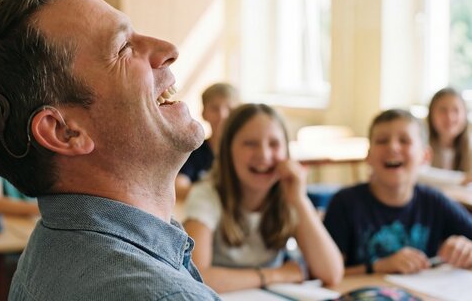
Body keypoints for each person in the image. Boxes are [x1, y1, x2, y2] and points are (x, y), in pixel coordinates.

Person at [0, 0, 219, 300]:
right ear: (64, 131)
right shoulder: (161, 294)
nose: (168, 49)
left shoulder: (51, 249)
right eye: (122, 48)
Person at [183, 103, 343, 293]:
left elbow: (331, 273)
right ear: (228, 151)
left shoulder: (289, 195)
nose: (264, 155)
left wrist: (299, 201)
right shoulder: (206, 195)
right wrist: (276, 274)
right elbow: (195, 276)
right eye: (250, 144)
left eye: (274, 144)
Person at [324, 109, 472, 275]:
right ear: (368, 155)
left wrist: (466, 249)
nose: (393, 147)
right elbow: (323, 273)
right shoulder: (345, 203)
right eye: (381, 141)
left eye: (404, 140)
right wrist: (378, 267)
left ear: (425, 156)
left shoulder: (435, 202)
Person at [175, 82, 239, 200]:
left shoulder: (246, 152)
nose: (222, 115)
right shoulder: (193, 152)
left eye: (230, 108)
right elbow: (179, 187)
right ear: (204, 113)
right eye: (215, 108)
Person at [419, 87, 472, 186]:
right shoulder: (420, 144)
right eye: (443, 110)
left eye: (456, 110)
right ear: (431, 114)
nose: (449, 117)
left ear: (465, 114)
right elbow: (416, 175)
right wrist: (462, 179)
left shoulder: (470, 147)